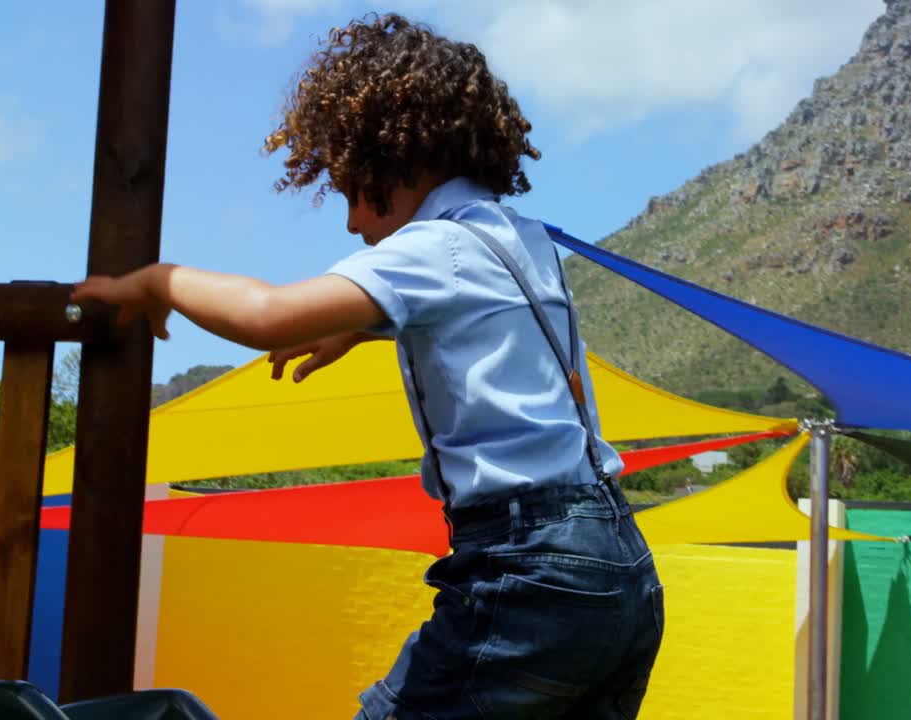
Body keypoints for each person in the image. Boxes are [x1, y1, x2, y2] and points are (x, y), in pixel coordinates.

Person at [71, 12, 663, 719]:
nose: (352, 221)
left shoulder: (434, 248)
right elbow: (496, 331)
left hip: (528, 570)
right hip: (619, 567)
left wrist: (156, 281)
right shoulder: (523, 239)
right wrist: (362, 328)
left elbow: (266, 314)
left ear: (395, 157)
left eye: (352, 188)